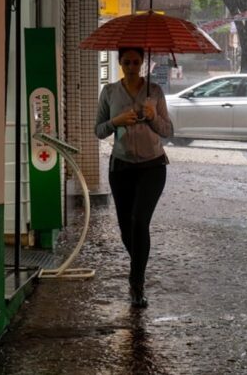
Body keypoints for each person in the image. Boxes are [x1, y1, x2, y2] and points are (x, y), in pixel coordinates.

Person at [95, 47, 173, 308]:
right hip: (121, 167)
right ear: (120, 62)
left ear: (142, 63)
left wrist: (152, 117)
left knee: (140, 222)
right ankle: (139, 261)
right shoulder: (109, 92)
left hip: (153, 166)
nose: (131, 67)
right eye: (126, 62)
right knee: (126, 227)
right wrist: (116, 121)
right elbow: (99, 130)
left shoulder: (155, 92)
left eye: (135, 62)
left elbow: (168, 130)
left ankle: (136, 282)